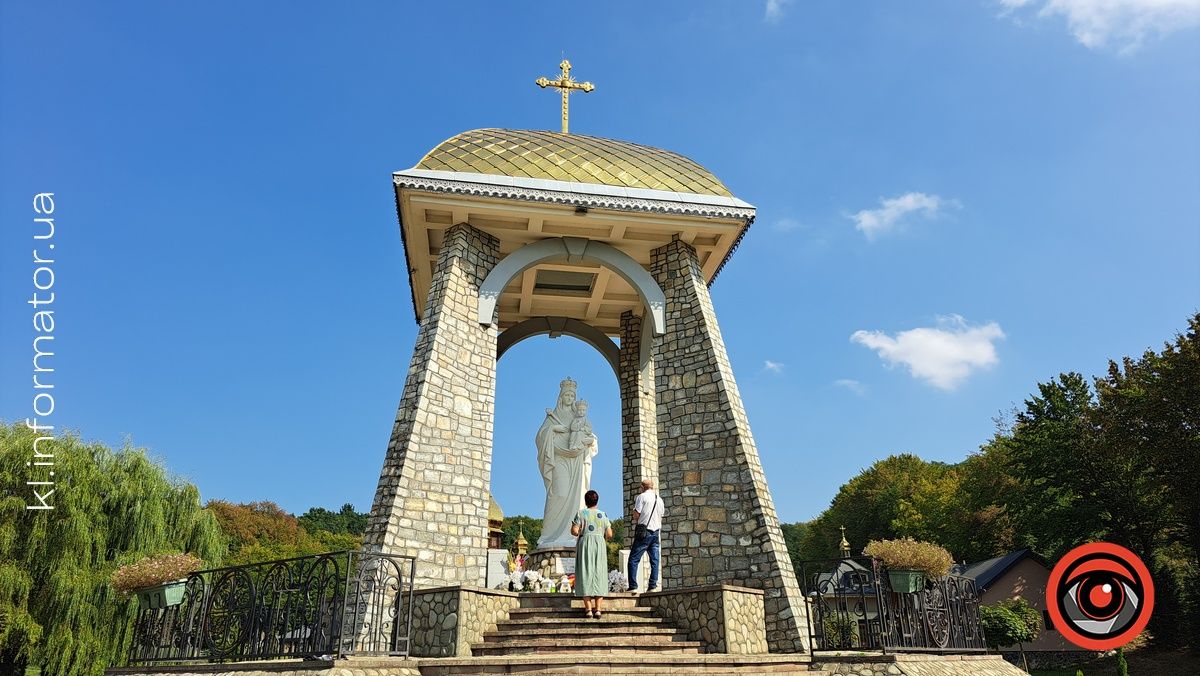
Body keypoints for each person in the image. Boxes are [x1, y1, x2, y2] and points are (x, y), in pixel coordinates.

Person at [571, 489, 612, 618]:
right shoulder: (603, 514)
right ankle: (598, 609)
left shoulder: (581, 513)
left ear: (586, 501)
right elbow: (609, 534)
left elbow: (574, 530)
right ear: (597, 501)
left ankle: (588, 609)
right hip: (599, 544)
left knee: (585, 572)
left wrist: (579, 532)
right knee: (599, 573)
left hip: (585, 544)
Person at [628, 478, 664, 593]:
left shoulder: (641, 497)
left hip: (644, 532)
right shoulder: (659, 499)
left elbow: (636, 515)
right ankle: (652, 585)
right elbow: (661, 514)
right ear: (652, 487)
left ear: (642, 487)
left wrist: (633, 511)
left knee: (633, 559)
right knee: (655, 560)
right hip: (656, 532)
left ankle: (633, 586)